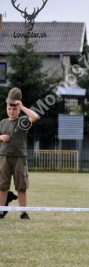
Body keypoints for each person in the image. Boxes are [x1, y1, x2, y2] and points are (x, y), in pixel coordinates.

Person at [0, 88, 39, 219]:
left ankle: (23, 212)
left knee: (21, 186)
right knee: (2, 185)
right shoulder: (3, 123)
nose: (11, 111)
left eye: (14, 109)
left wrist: (22, 107)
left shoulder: (22, 122)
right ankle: (1, 210)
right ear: (6, 108)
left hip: (19, 158)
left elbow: (34, 117)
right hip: (4, 157)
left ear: (18, 109)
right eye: (9, 108)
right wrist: (1, 137)